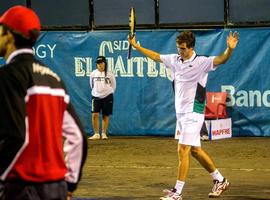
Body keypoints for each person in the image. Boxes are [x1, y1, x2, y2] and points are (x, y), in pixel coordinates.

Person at [129, 31, 238, 199]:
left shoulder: (202, 62)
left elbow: (221, 59)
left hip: (194, 112)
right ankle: (220, 180)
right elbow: (156, 56)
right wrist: (137, 46)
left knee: (183, 149)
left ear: (191, 47)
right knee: (195, 150)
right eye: (178, 48)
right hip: (181, 114)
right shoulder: (174, 60)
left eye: (183, 49)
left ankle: (177, 192)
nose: (180, 51)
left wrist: (229, 49)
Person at [0, 5, 87, 200]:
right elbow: (78, 136)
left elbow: (15, 136)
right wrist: (70, 184)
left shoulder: (8, 76)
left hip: (21, 187)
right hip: (55, 188)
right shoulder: (53, 78)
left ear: (10, 35)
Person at [88, 56, 116, 140]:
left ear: (105, 63)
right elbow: (91, 85)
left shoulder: (110, 74)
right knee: (94, 115)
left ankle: (104, 133)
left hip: (107, 96)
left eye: (101, 63)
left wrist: (108, 92)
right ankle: (96, 134)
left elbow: (113, 85)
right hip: (95, 96)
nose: (100, 65)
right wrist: (96, 92)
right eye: (98, 63)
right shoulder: (93, 73)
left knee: (105, 115)